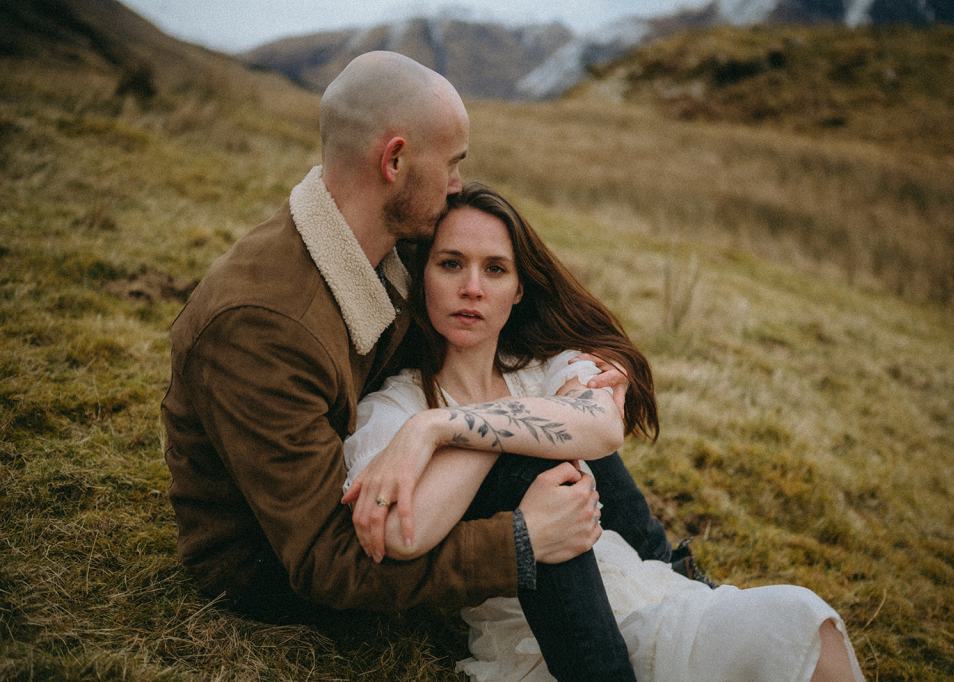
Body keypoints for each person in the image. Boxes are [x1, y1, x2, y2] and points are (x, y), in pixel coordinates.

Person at [160, 48, 683, 658]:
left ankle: (674, 577)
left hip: (393, 492)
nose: (458, 183)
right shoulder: (261, 325)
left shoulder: (389, 249)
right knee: (523, 460)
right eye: (453, 163)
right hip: (273, 574)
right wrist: (521, 539)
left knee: (526, 424)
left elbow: (505, 325)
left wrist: (596, 369)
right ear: (396, 159)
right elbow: (327, 563)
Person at [341, 184, 865, 681]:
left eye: (495, 269)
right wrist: (468, 430)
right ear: (422, 274)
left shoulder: (542, 368)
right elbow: (400, 535)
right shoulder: (396, 408)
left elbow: (599, 427)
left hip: (648, 590)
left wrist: (441, 429)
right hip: (548, 640)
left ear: (519, 288)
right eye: (451, 264)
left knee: (806, 624)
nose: (472, 287)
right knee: (795, 619)